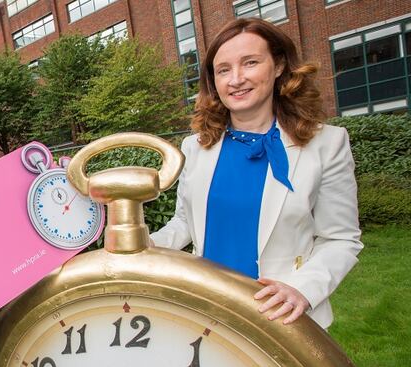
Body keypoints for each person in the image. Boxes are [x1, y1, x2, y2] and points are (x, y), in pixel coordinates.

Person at [150, 18, 362, 329]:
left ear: (278, 66)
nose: (235, 79)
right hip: (206, 313)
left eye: (250, 63)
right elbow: (184, 221)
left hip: (283, 320)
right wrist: (146, 246)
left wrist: (304, 289)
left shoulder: (327, 144)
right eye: (223, 70)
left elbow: (340, 238)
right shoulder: (196, 146)